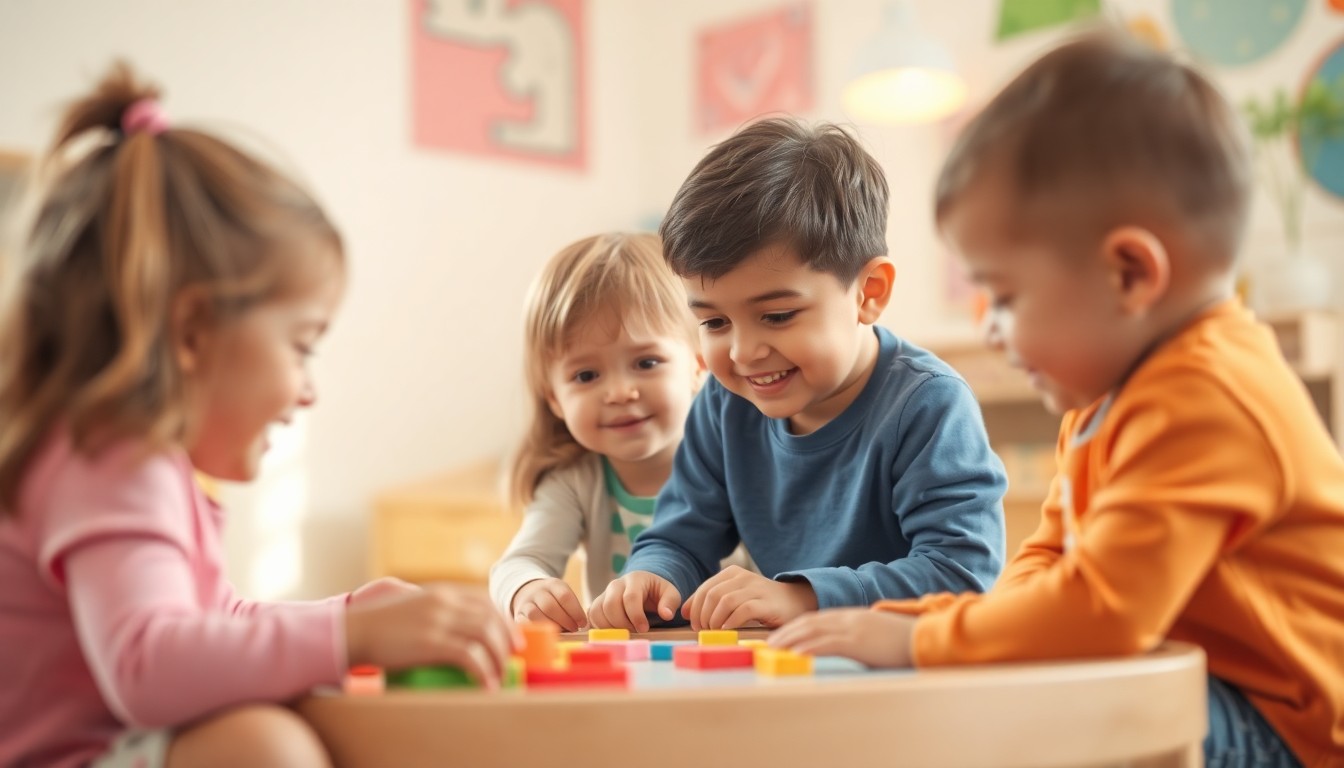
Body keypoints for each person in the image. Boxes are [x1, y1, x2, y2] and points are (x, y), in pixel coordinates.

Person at [769, 33, 1344, 767]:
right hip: (1198, 677)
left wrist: (921, 639)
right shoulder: (1110, 397)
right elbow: (1050, 562)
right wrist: (933, 621)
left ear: (1130, 274)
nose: (987, 326)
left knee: (1048, 714)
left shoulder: (1208, 395)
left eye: (1004, 295)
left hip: (1284, 727)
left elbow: (1099, 614)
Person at [0, 63, 518, 768]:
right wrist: (352, 639)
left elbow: (210, 624)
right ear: (191, 333)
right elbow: (149, 664)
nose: (309, 391)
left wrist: (349, 615)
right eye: (302, 346)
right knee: (262, 746)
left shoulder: (134, 463)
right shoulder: (109, 457)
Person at [587, 117, 1008, 633]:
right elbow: (680, 536)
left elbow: (962, 573)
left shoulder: (928, 405)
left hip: (907, 675)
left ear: (868, 293)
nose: (743, 352)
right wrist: (653, 575)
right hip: (796, 669)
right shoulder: (722, 404)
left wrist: (803, 597)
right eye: (714, 322)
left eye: (778, 316)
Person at [489, 232, 722, 631]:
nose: (618, 392)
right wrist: (528, 589)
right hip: (624, 671)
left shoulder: (734, 463)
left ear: (698, 367)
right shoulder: (575, 483)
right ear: (555, 399)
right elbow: (518, 562)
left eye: (647, 363)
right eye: (586, 375)